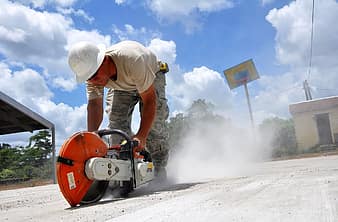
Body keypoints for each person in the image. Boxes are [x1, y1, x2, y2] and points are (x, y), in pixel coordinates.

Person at [68, 40, 169, 179]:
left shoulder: (133, 60)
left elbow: (150, 101)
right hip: (121, 85)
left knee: (153, 128)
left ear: (104, 61)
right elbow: (95, 105)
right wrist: (92, 138)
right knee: (116, 125)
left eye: (95, 77)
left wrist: (141, 136)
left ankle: (159, 169)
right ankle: (125, 173)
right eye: (89, 79)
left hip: (150, 75)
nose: (93, 82)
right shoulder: (92, 75)